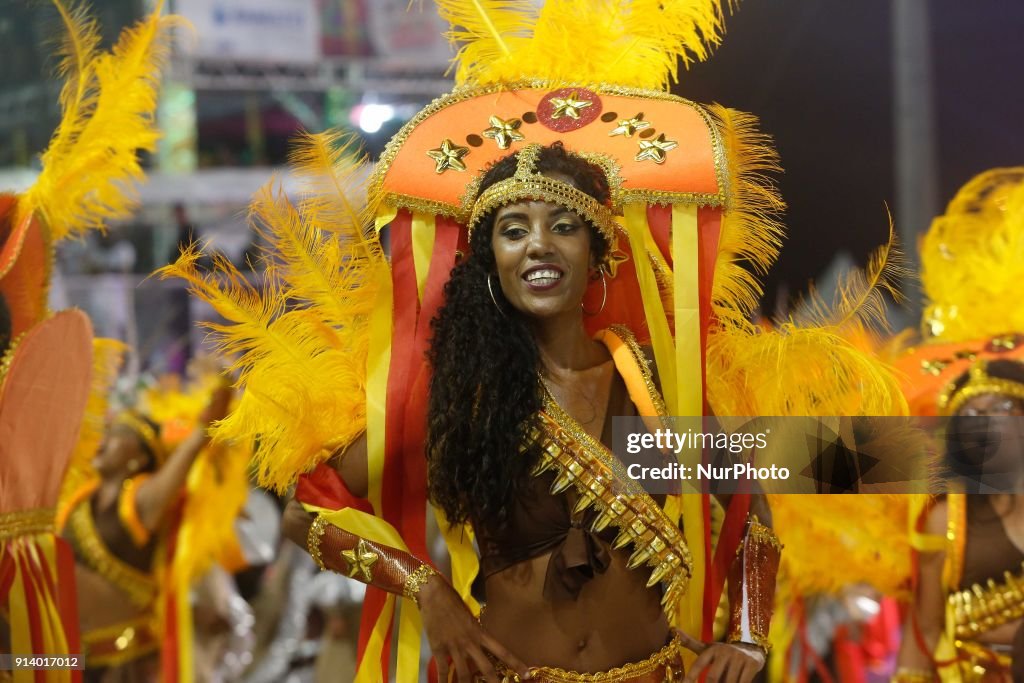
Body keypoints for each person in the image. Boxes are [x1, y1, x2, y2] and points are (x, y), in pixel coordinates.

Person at [893, 168, 1024, 681]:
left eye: (1005, 411)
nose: (987, 427)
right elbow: (922, 631)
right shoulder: (942, 521)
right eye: (972, 416)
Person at [57, 386, 231, 681]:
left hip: (121, 663)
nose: (103, 442)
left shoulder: (140, 501)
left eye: (117, 437)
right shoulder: (79, 500)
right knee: (10, 663)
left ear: (138, 458)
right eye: (106, 434)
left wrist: (202, 430)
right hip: (63, 654)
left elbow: (181, 463)